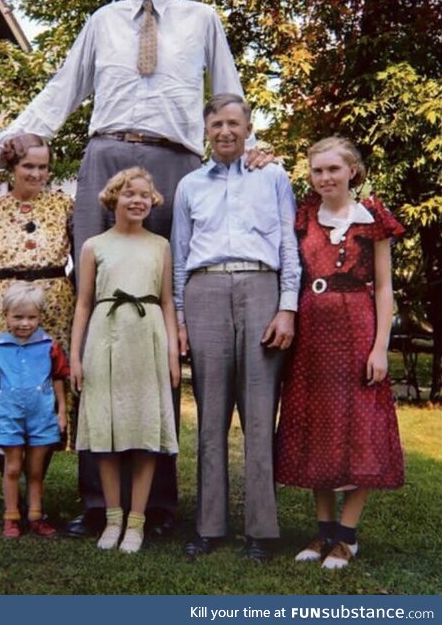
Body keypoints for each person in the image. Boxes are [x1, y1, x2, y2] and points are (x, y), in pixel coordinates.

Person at [0, 0, 253, 537]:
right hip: (106, 156)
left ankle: (161, 504)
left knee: (158, 321)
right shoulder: (101, 22)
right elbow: (59, 94)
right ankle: (98, 503)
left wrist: (252, 151)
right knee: (100, 323)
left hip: (176, 162)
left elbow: (227, 98)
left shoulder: (202, 20)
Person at [171, 93, 301, 561]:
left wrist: (287, 307)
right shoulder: (190, 185)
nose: (225, 132)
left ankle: (262, 531)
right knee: (210, 416)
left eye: (233, 124)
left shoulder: (272, 176)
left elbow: (289, 245)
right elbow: (181, 255)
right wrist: (181, 319)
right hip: (206, 291)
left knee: (260, 413)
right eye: (216, 125)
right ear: (206, 131)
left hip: (261, 289)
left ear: (248, 128)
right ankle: (209, 526)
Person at [275, 137, 404, 569]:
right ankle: (324, 530)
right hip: (312, 332)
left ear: (353, 170)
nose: (325, 177)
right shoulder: (304, 216)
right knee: (318, 426)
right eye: (317, 170)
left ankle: (348, 536)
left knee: (358, 427)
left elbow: (384, 287)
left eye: (333, 169)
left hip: (358, 330)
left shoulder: (372, 219)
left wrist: (380, 347)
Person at [70, 167, 180, 553]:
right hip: (105, 338)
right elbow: (83, 304)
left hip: (147, 339)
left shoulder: (160, 246)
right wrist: (76, 356)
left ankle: (137, 522)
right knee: (107, 432)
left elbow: (166, 301)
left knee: (144, 433)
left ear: (153, 202)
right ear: (113, 198)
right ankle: (112, 518)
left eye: (144, 195)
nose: (137, 200)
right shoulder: (94, 246)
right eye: (129, 193)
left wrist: (171, 352)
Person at [0, 134, 74, 455]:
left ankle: (38, 489)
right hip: (6, 306)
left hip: (55, 307)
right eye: (28, 166)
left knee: (48, 386)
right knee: (10, 387)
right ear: (12, 166)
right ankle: (11, 487)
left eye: (43, 167)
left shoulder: (64, 205)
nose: (36, 174)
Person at [0, 282, 69, 539]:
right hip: (9, 416)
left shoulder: (48, 347)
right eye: (18, 317)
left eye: (32, 317)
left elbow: (58, 378)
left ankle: (36, 516)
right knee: (12, 467)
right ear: (6, 316)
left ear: (41, 316)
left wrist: (61, 411)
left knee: (35, 470)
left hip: (41, 416)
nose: (25, 323)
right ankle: (11, 517)